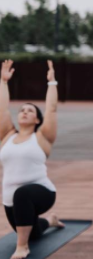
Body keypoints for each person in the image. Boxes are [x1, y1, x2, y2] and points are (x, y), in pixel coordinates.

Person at [0, 60, 64, 259]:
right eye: (22, 110)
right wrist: (3, 82)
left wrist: (52, 83)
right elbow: (2, 110)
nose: (25, 112)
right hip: (10, 200)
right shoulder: (7, 136)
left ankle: (22, 247)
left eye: (30, 110)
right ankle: (49, 222)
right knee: (34, 231)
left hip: (41, 192)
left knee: (22, 195)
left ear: (37, 119)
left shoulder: (42, 138)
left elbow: (51, 109)